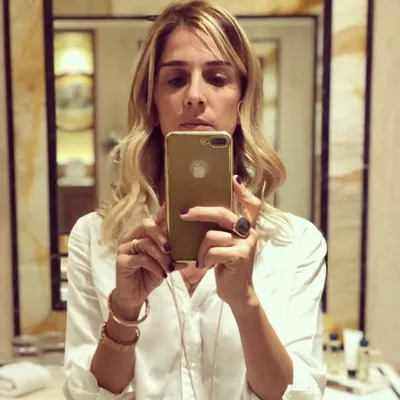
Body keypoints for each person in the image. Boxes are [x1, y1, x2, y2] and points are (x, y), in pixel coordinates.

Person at [63, 1, 327, 399]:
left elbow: (298, 396)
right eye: (175, 79)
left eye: (217, 78)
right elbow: (86, 395)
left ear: (242, 100)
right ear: (152, 103)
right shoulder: (96, 238)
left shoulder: (296, 244)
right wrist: (124, 311)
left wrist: (245, 302)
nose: (195, 95)